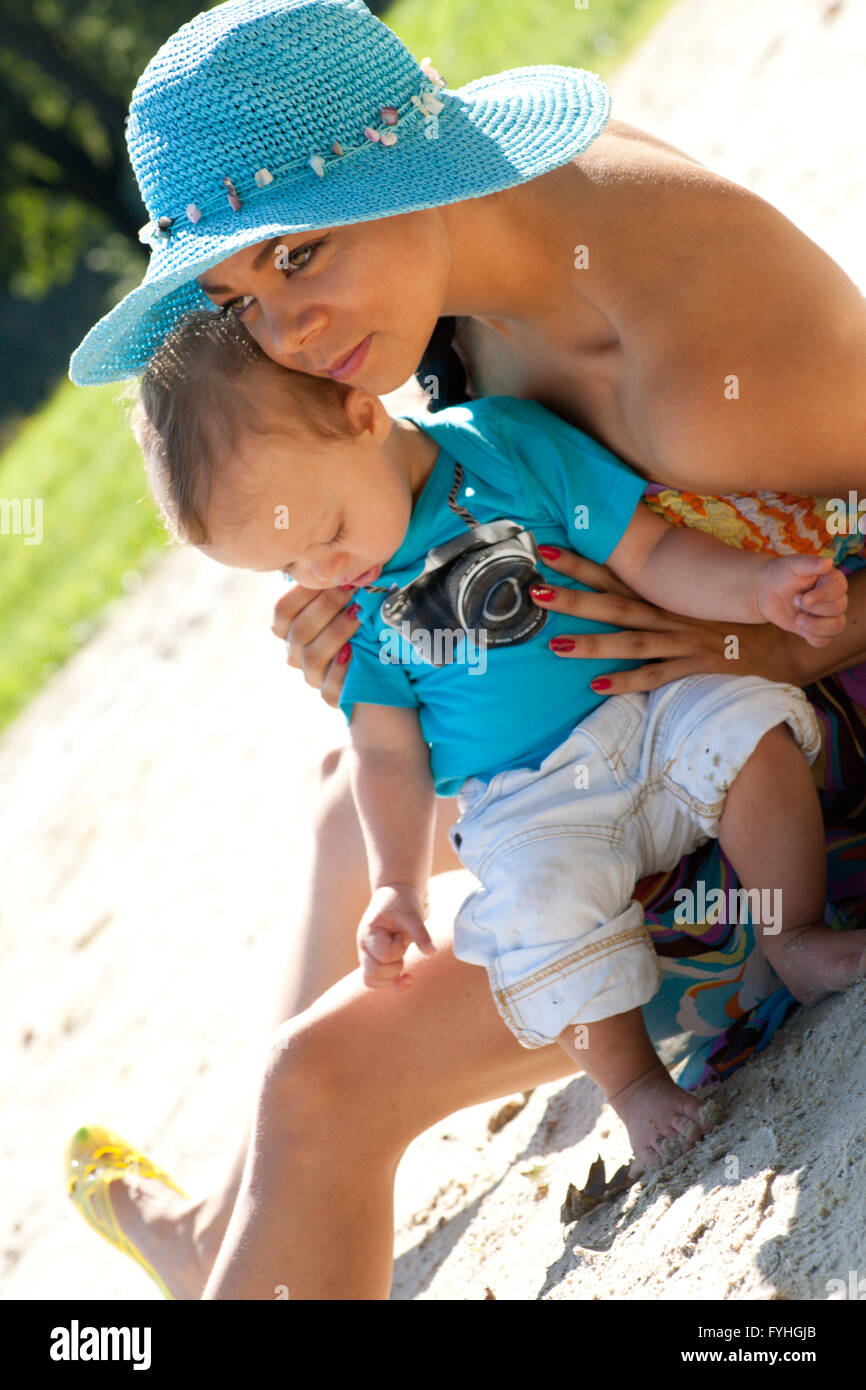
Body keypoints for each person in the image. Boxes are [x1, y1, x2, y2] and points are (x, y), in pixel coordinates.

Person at [64, 0, 866, 1299]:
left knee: (316, 1086)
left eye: (300, 252)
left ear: (402, 170)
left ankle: (253, 1209)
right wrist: (380, 633)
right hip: (627, 745)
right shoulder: (481, 272)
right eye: (237, 295)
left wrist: (728, 632)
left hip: (780, 795)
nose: (286, 335)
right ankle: (227, 1222)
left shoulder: (687, 329)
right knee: (349, 802)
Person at [130, 306, 860, 1173]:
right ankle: (632, 1086)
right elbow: (387, 753)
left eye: (322, 534)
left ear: (364, 416)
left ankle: (794, 936)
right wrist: (396, 883)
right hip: (527, 800)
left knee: (746, 726)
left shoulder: (505, 444)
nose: (324, 575)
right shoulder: (357, 605)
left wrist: (759, 589)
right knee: (532, 915)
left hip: (652, 704)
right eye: (287, 569)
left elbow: (650, 552)